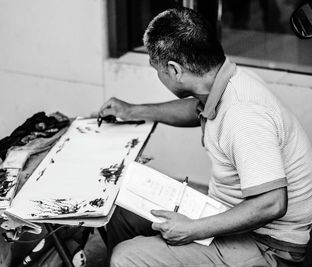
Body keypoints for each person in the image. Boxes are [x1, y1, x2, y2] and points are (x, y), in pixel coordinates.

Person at [98, 7, 312, 267]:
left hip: (269, 244)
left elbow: (272, 203)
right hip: (229, 212)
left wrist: (194, 229)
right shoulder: (226, 80)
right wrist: (133, 110)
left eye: (159, 70)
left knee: (126, 256)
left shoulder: (243, 115)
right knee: (123, 212)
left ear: (175, 70)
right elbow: (195, 110)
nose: (160, 76)